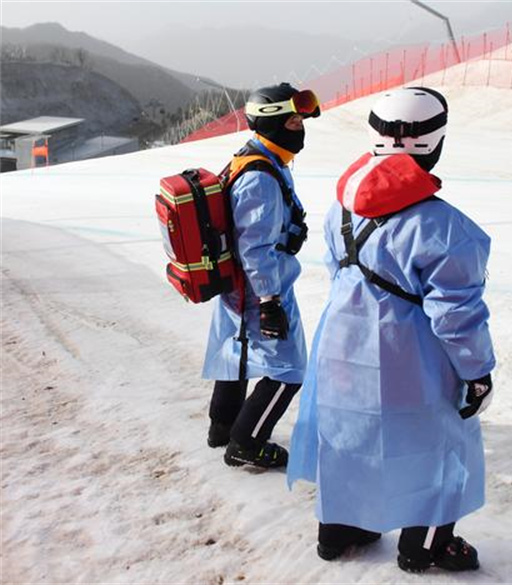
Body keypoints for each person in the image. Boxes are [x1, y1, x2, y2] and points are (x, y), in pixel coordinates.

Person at [287, 87, 496, 573]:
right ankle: (424, 546)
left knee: (349, 433)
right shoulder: (445, 227)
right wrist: (479, 372)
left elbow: (335, 268)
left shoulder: (342, 206)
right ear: (436, 142)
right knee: (435, 443)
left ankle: (340, 529)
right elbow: (456, 315)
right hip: (409, 356)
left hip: (341, 345)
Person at [202, 82, 320, 470]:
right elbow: (256, 247)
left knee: (238, 351)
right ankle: (246, 444)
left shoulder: (257, 158)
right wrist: (269, 302)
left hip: (241, 283)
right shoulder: (261, 176)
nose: (300, 128)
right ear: (270, 124)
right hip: (259, 286)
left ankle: (222, 427)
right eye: (293, 121)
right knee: (288, 369)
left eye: (301, 120)